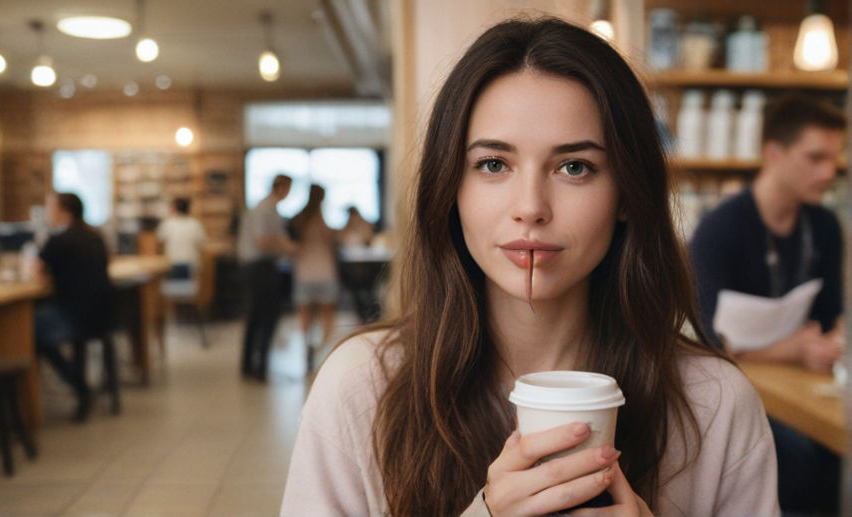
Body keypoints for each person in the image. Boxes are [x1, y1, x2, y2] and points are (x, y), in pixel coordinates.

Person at [282, 17, 778, 517]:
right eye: (494, 164)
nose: (531, 206)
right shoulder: (363, 387)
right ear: (451, 188)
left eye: (574, 167)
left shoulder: (715, 404)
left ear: (627, 193)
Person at [690, 93, 845, 516]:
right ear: (773, 154)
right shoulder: (718, 229)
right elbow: (707, 344)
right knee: (800, 455)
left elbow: (829, 317)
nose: (829, 172)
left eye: (834, 158)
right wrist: (792, 349)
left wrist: (827, 343)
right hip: (734, 387)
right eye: (815, 158)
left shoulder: (825, 226)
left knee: (829, 457)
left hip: (797, 384)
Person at [35, 192, 113, 421]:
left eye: (50, 208)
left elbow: (36, 272)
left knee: (27, 333)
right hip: (103, 315)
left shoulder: (58, 240)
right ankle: (79, 386)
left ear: (64, 212)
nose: (48, 213)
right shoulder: (96, 237)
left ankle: (78, 387)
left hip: (73, 317)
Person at [237, 174, 296, 381]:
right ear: (281, 188)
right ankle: (257, 367)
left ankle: (254, 366)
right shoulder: (265, 209)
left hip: (260, 267)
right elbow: (262, 241)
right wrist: (288, 248)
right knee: (264, 317)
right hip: (259, 267)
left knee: (257, 316)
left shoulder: (268, 209)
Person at [290, 184, 340, 372]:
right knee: (327, 317)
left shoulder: (299, 220)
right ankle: (319, 350)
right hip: (324, 271)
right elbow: (331, 242)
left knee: (305, 317)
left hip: (304, 272)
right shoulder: (320, 221)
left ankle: (308, 348)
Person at [156, 197, 207, 280]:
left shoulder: (167, 223)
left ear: (174, 208)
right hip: (191, 263)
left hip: (172, 263)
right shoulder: (195, 224)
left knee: (172, 290)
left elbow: (159, 241)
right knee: (188, 290)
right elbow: (202, 243)